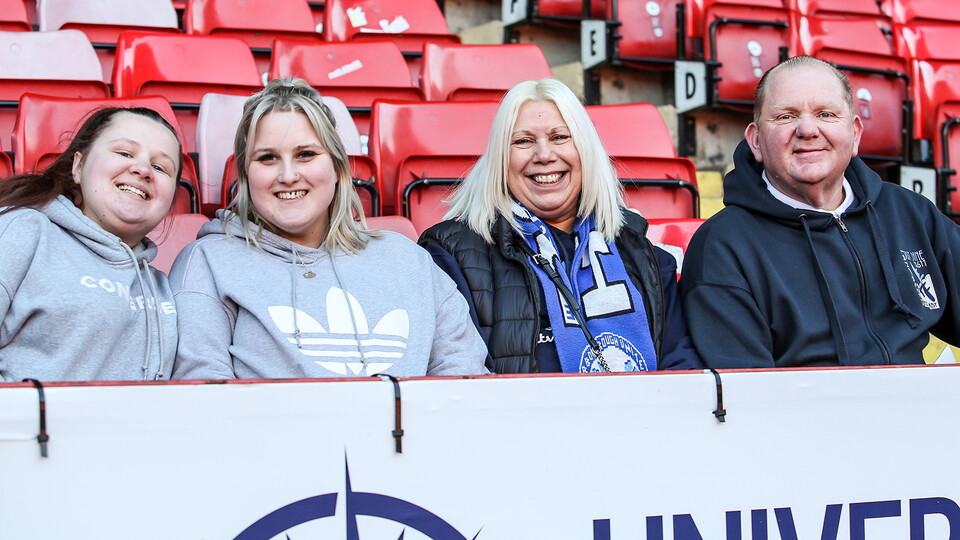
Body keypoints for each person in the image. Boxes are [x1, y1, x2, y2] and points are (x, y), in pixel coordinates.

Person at [169, 78, 487, 379]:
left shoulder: (407, 258)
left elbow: (464, 377)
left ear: (337, 168)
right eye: (267, 158)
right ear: (246, 176)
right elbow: (202, 395)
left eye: (306, 154)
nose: (288, 175)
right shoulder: (208, 262)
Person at [681, 55, 960, 368]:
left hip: (920, 407)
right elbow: (749, 400)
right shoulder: (721, 248)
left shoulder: (909, 213)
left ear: (855, 134)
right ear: (756, 141)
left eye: (826, 114)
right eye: (786, 117)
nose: (808, 130)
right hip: (804, 413)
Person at [419, 78, 701, 374]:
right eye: (523, 141)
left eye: (559, 137)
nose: (544, 155)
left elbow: (683, 370)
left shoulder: (644, 255)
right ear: (501, 159)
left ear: (585, 150)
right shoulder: (449, 255)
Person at [0, 107, 183, 381]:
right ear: (78, 166)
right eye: (124, 153)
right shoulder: (24, 229)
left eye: (160, 167)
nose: (143, 169)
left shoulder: (163, 287)